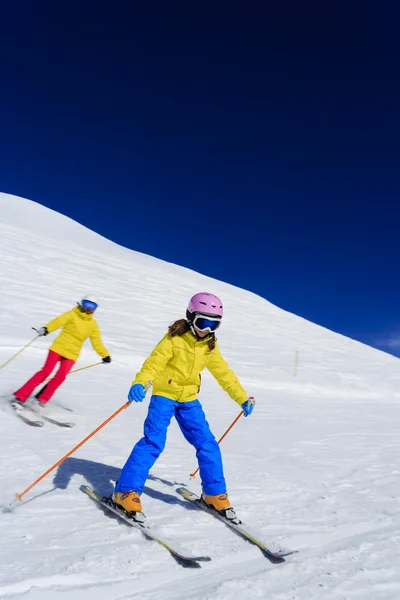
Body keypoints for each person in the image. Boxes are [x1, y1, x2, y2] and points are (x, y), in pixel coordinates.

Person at [113, 292, 255, 521]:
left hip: (189, 399)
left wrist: (241, 398)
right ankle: (125, 491)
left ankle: (214, 494)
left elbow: (224, 374)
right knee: (153, 442)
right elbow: (154, 362)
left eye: (213, 324)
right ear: (191, 317)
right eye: (202, 322)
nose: (206, 329)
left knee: (207, 443)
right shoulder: (173, 339)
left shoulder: (209, 346)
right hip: (164, 396)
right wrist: (140, 382)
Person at [13, 295, 111, 408]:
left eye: (93, 306)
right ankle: (20, 396)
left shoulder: (93, 325)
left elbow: (96, 342)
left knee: (61, 376)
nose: (89, 308)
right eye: (87, 304)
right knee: (46, 372)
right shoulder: (71, 314)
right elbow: (57, 322)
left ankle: (41, 399)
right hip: (58, 348)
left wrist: (105, 355)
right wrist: (46, 329)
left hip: (72, 354)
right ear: (82, 304)